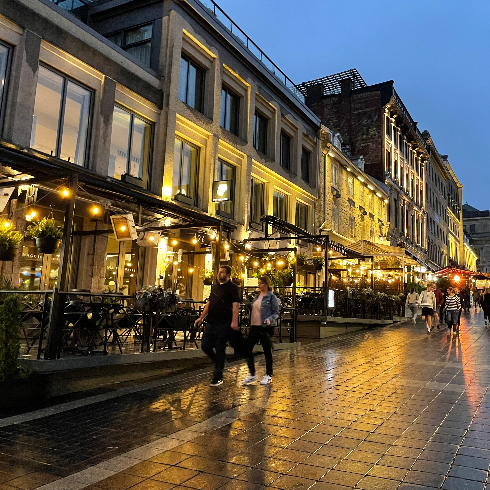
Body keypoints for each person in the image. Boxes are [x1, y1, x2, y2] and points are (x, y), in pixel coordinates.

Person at [194, 265, 241, 387]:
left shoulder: (233, 288)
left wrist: (234, 322)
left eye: (221, 272)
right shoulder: (214, 287)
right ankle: (219, 362)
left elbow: (235, 306)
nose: (219, 274)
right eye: (218, 272)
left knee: (220, 348)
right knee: (205, 345)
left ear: (228, 274)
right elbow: (209, 303)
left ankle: (218, 375)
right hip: (211, 322)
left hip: (224, 323)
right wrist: (201, 317)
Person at [242, 276, 280, 386]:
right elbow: (255, 310)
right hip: (255, 326)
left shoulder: (271, 297)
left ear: (266, 284)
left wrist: (269, 319)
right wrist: (248, 305)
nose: (259, 285)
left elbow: (276, 312)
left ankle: (268, 374)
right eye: (258, 283)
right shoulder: (257, 297)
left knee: (267, 351)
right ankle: (252, 374)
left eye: (261, 283)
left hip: (265, 327)